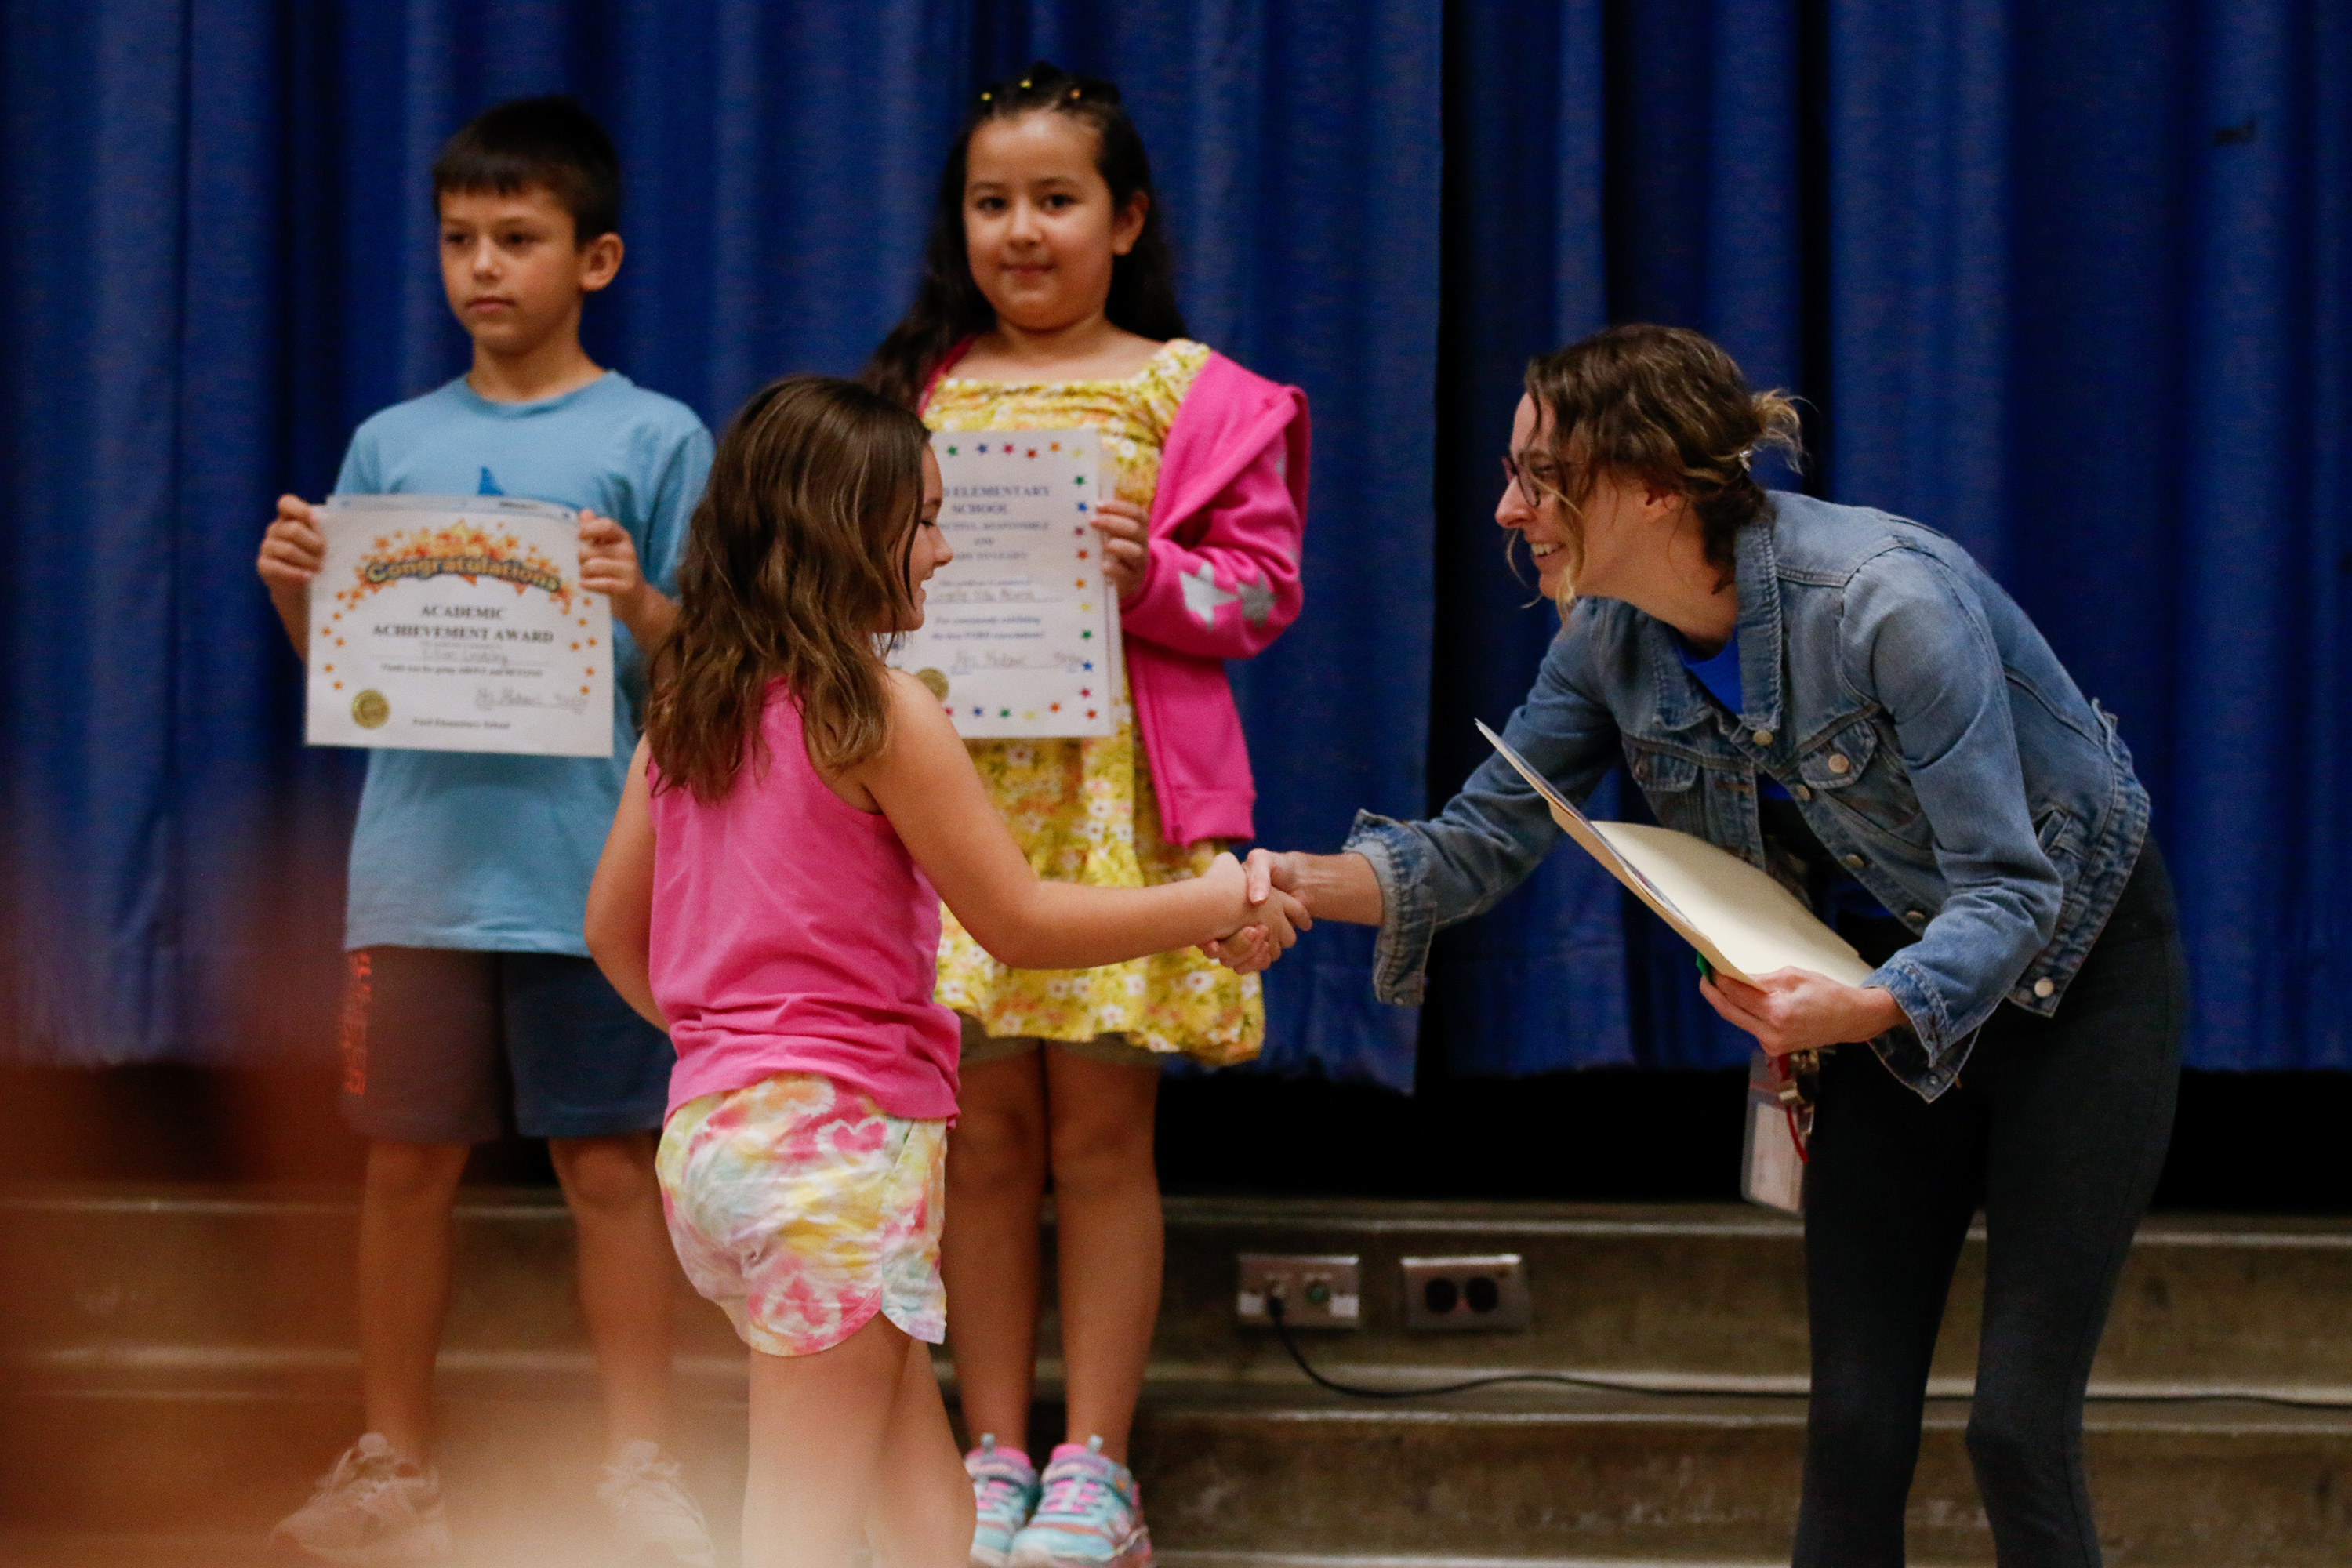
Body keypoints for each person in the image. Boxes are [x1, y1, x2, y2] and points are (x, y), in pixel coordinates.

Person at [1218, 325, 2186, 1568]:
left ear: (1656, 485)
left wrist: (1869, 1009)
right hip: (1881, 987)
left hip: (2077, 974)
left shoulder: (1888, 599)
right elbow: (1469, 850)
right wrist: (1286, 885)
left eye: (1541, 476)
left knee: (2014, 1428)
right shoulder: (1609, 638)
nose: (1510, 509)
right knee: (1852, 1423)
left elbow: (2009, 888)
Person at [582, 375, 1306, 1568]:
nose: (945, 547)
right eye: (922, 519)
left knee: (925, 1510)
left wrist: (737, 1053)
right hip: (834, 1169)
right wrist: (1220, 895)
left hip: (720, 1152)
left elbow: (613, 931)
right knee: (798, 1539)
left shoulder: (689, 711)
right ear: (844, 532)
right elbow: (1016, 921)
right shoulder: (876, 710)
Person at [252, 97, 716, 1566]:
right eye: (459, 239)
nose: (482, 267)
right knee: (402, 1166)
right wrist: (294, 589)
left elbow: (714, 663)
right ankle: (396, 1457)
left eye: (517, 238)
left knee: (608, 1169)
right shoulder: (392, 442)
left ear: (597, 257)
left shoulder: (656, 435)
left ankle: (640, 1464)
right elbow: (352, 667)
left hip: (592, 881)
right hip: (419, 877)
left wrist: (640, 603)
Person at [862, 61, 1309, 1568]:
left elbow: (1262, 593)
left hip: (1117, 812)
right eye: (993, 202)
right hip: (954, 806)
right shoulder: (912, 392)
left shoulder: (1194, 391)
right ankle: (989, 1451)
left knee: (1104, 1141)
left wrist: (1151, 581)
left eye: (1056, 200)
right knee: (976, 1141)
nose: (1023, 230)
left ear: (1125, 219)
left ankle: (1096, 1467)